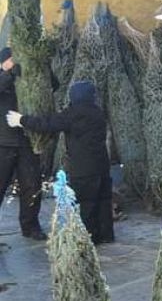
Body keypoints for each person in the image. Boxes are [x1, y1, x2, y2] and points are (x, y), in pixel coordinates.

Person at [7, 80, 110, 243]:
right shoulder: (98, 112)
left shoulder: (72, 114)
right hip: (102, 166)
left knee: (86, 203)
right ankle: (106, 235)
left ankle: (88, 239)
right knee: (103, 201)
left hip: (83, 168)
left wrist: (22, 120)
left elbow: (47, 124)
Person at [0, 47, 45, 240]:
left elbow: (53, 86)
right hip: (3, 143)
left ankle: (30, 226)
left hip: (28, 142)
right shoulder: (4, 78)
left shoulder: (27, 78)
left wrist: (41, 68)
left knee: (32, 186)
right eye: (11, 60)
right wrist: (7, 74)